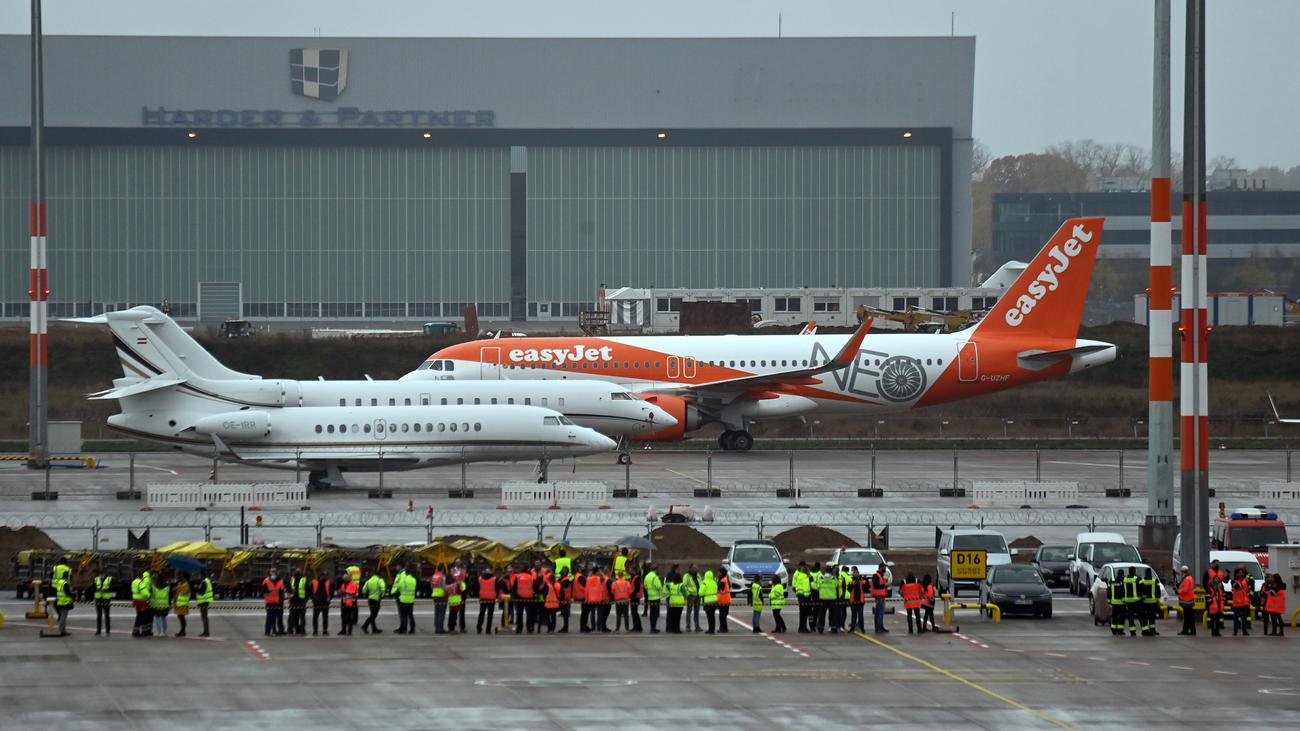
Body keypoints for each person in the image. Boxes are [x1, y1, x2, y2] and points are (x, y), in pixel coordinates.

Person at [391, 564, 417, 634]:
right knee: (410, 615)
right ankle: (412, 629)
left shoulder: (403, 577)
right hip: (411, 599)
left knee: (403, 615)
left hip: (403, 598)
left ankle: (403, 629)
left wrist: (394, 592)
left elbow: (399, 586)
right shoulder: (413, 579)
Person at [51, 562, 73, 637]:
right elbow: (67, 593)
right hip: (65, 602)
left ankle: (63, 630)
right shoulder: (65, 583)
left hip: (60, 601)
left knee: (62, 616)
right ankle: (61, 630)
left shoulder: (60, 582)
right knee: (63, 617)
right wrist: (74, 595)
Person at [514, 563, 537, 634]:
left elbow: (514, 587)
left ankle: (519, 629)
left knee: (519, 614)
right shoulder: (531, 577)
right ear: (528, 570)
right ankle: (530, 628)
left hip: (519, 598)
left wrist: (514, 596)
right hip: (529, 598)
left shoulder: (518, 577)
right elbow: (535, 588)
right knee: (530, 614)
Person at [817, 565, 840, 633]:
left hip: (823, 598)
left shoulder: (821, 578)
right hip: (832, 598)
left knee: (821, 614)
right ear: (831, 571)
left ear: (825, 571)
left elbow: (818, 586)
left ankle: (820, 628)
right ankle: (833, 627)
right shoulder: (833, 578)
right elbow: (837, 585)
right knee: (833, 614)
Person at [361, 569, 386, 634]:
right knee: (374, 615)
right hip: (376, 600)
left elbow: (363, 590)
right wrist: (382, 596)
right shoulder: (380, 580)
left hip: (370, 599)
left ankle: (374, 629)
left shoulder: (369, 581)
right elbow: (383, 589)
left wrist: (366, 595)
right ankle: (365, 626)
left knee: (372, 614)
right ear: (379, 575)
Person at [1176, 566, 1197, 636]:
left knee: (1188, 617)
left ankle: (1187, 630)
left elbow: (1185, 590)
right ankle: (1189, 630)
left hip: (1186, 601)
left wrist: (1178, 591)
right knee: (1189, 617)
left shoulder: (1186, 579)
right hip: (1189, 600)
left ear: (1183, 572)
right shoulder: (1189, 578)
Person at [1231, 567, 1252, 636]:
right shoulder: (1234, 581)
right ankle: (1235, 631)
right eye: (1239, 573)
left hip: (1244, 602)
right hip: (1237, 603)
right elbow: (1237, 586)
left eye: (1242, 573)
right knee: (1236, 618)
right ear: (1236, 574)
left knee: (1244, 618)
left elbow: (1246, 588)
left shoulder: (1245, 580)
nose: (1241, 574)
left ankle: (1244, 631)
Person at [1139, 568, 1160, 636]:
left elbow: (1141, 592)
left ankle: (1145, 630)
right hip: (1153, 602)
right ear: (1150, 573)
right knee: (1152, 617)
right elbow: (1158, 591)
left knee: (1144, 617)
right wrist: (1157, 599)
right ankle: (1152, 630)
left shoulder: (1142, 581)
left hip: (1144, 602)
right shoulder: (1155, 581)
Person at [310, 572, 333, 636]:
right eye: (321, 576)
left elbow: (331, 590)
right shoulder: (314, 582)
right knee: (315, 617)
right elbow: (310, 591)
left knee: (324, 617)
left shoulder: (328, 582)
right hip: (317, 602)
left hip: (325, 602)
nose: (322, 577)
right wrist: (313, 599)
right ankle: (315, 630)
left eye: (323, 576)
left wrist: (330, 598)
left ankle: (324, 630)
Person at [92, 564, 112, 636]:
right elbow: (93, 588)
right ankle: (98, 630)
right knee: (99, 616)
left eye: (102, 572)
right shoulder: (96, 579)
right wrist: (98, 589)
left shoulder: (109, 579)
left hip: (106, 599)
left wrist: (105, 589)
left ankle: (108, 630)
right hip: (98, 599)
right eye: (100, 572)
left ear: (105, 572)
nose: (101, 573)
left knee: (107, 615)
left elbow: (112, 588)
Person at [131, 570, 153, 637]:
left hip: (136, 600)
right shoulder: (141, 583)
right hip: (142, 601)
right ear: (140, 576)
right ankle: (144, 631)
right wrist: (149, 596)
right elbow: (145, 593)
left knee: (139, 616)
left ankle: (135, 631)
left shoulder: (134, 582)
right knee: (143, 616)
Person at [643, 563, 664, 634]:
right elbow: (659, 587)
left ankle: (652, 628)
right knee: (655, 614)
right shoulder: (655, 577)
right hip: (656, 597)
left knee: (652, 613)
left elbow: (645, 586)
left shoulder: (647, 576)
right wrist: (661, 594)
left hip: (650, 597)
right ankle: (653, 628)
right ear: (656, 569)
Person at [477, 568, 498, 634]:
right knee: (490, 615)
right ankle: (488, 629)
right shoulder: (494, 579)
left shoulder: (480, 578)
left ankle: (479, 628)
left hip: (483, 598)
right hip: (491, 598)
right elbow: (497, 588)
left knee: (481, 613)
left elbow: (476, 587)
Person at [792, 562, 812, 633]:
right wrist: (809, 597)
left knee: (802, 612)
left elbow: (794, 585)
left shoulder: (798, 575)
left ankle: (801, 627)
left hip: (800, 595)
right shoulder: (805, 577)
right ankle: (804, 627)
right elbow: (806, 588)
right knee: (805, 613)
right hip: (805, 597)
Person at [150, 572, 171, 638]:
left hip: (156, 605)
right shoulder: (167, 587)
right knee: (164, 618)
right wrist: (169, 604)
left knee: (157, 618)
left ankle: (159, 632)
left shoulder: (153, 587)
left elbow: (150, 595)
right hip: (165, 605)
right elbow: (170, 597)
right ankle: (164, 632)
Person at [288, 570, 308, 636]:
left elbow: (288, 589)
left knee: (292, 616)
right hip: (301, 601)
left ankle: (291, 630)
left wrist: (289, 598)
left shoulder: (292, 579)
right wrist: (306, 600)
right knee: (302, 616)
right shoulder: (304, 580)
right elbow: (307, 590)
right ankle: (302, 630)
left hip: (293, 600)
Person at [1122, 568, 1141, 637]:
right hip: (1136, 600)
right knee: (1141, 615)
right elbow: (1141, 588)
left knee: (1130, 616)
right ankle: (1145, 630)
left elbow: (1122, 589)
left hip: (1128, 600)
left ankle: (1132, 631)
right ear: (1134, 571)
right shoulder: (1137, 579)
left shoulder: (1125, 579)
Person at [870, 565, 889, 634]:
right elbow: (876, 585)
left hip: (881, 596)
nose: (885, 569)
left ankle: (879, 627)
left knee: (879, 612)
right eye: (884, 568)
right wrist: (884, 585)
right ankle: (879, 628)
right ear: (881, 568)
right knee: (880, 613)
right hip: (879, 596)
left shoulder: (881, 575)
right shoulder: (876, 575)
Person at [195, 569, 214, 638]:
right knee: (204, 617)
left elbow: (202, 592)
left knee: (204, 617)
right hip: (206, 601)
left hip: (204, 602)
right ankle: (206, 631)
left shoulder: (204, 582)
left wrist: (197, 589)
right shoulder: (208, 581)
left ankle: (206, 632)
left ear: (201, 575)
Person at [666, 567, 685, 634]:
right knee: (678, 617)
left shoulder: (671, 585)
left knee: (673, 616)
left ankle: (673, 629)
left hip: (672, 602)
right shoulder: (681, 585)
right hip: (679, 603)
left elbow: (666, 585)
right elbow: (685, 593)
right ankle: (677, 629)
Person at [1108, 569, 1127, 636]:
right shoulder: (1124, 581)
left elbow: (1109, 592)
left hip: (1114, 603)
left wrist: (1109, 601)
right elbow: (1124, 591)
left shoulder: (1112, 582)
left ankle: (1113, 630)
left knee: (1114, 617)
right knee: (1121, 617)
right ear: (1122, 574)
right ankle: (1120, 630)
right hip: (1122, 603)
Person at [699, 569, 718, 634]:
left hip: (707, 602)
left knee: (709, 616)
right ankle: (712, 629)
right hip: (714, 601)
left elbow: (700, 593)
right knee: (712, 616)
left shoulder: (704, 582)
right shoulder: (714, 582)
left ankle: (710, 630)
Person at [431, 566, 448, 634]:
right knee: (441, 613)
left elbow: (431, 586)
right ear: (443, 569)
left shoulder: (434, 576)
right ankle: (440, 628)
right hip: (442, 596)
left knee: (437, 612)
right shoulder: (442, 576)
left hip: (435, 595)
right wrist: (446, 593)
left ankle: (436, 627)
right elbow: (444, 586)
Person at [683, 565, 700, 632]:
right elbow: (684, 586)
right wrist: (688, 593)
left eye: (696, 568)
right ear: (690, 568)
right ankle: (688, 626)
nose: (696, 569)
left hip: (698, 596)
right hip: (691, 596)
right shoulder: (686, 576)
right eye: (694, 568)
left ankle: (697, 626)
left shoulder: (698, 575)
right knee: (689, 612)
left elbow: (700, 584)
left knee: (697, 612)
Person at [557, 567, 573, 633]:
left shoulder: (565, 580)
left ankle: (565, 628)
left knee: (565, 614)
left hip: (565, 599)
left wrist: (563, 599)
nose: (561, 571)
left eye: (563, 570)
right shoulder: (563, 579)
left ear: (566, 572)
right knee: (564, 614)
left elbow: (564, 590)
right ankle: (565, 627)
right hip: (564, 599)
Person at [716, 568, 732, 633]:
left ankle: (723, 628)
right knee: (724, 615)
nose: (718, 573)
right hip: (726, 600)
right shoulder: (726, 579)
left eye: (719, 572)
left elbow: (718, 588)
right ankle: (724, 628)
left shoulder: (723, 580)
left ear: (721, 573)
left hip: (723, 600)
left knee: (722, 615)